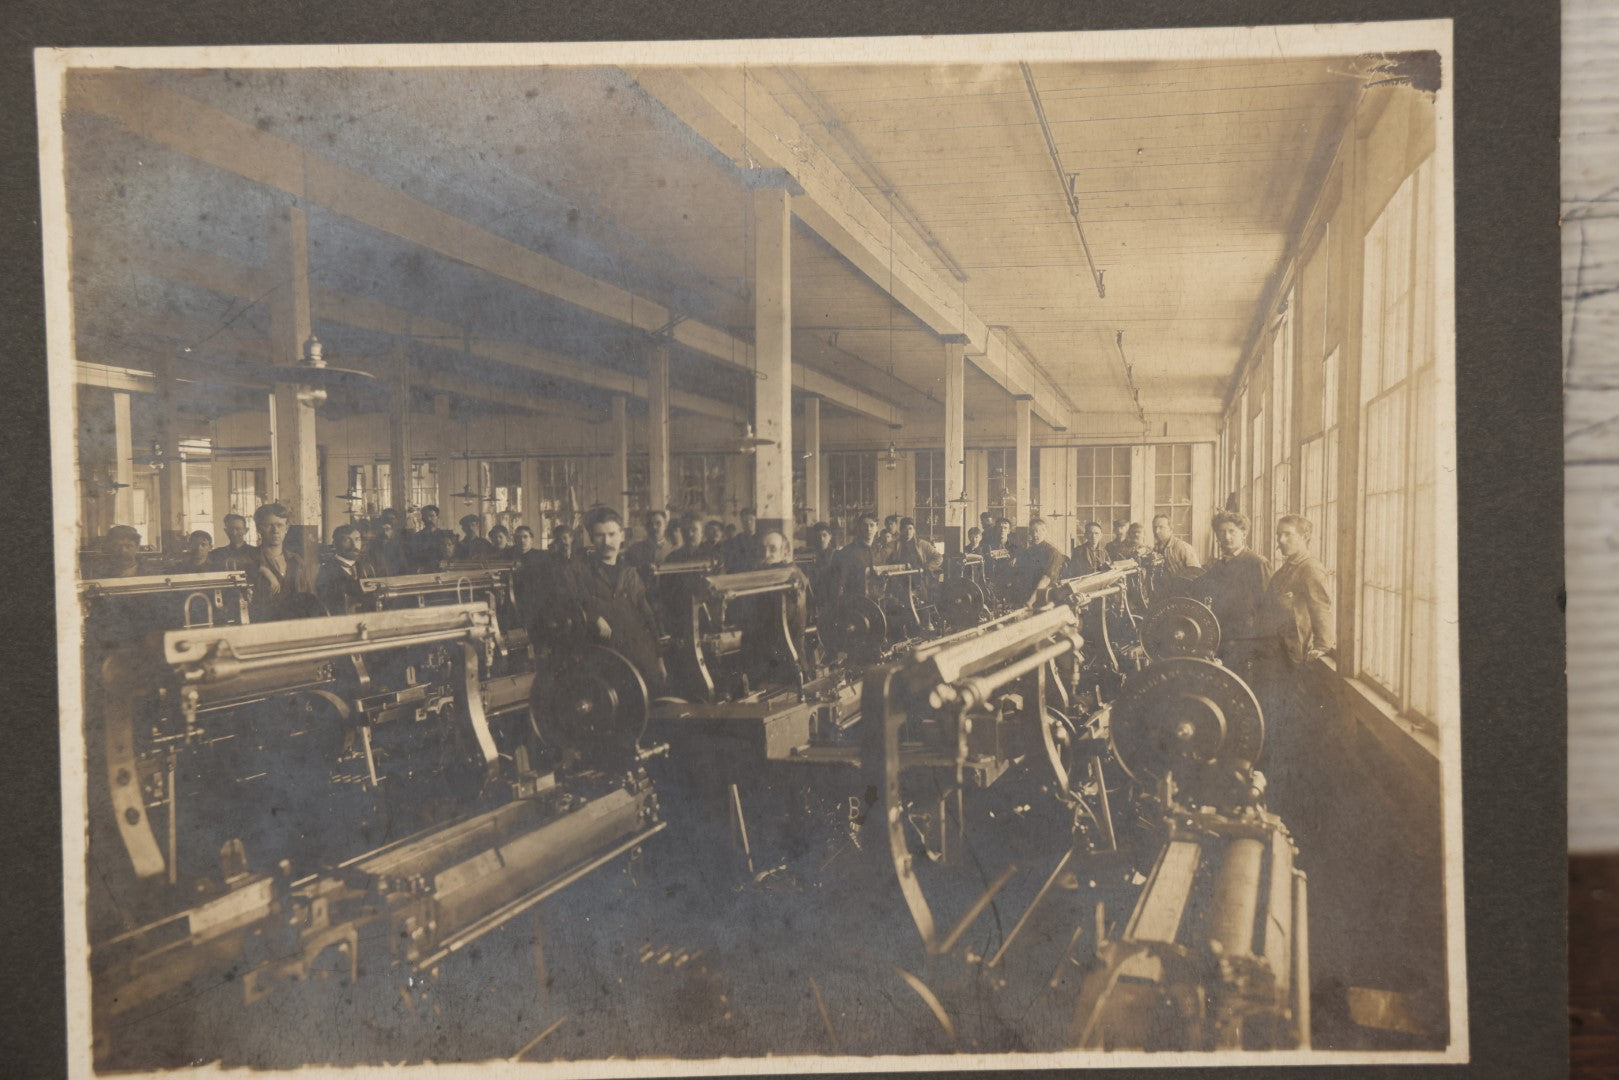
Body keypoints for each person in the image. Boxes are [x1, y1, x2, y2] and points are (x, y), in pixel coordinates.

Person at [553, 506, 664, 690]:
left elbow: (647, 616)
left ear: (622, 535)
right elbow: (564, 603)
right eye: (600, 535)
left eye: (612, 534)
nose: (607, 541)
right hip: (601, 663)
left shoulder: (630, 574)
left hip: (638, 658)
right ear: (591, 538)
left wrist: (659, 657)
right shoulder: (577, 572)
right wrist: (592, 616)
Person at [1197, 510, 1271, 680]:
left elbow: (1267, 608)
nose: (1227, 537)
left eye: (1232, 532)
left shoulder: (1257, 563)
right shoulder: (1220, 565)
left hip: (1246, 640)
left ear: (1244, 533)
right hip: (1222, 638)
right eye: (1221, 532)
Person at [248, 503, 312, 622]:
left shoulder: (296, 561)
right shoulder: (250, 559)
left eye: (280, 525)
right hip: (264, 626)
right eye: (269, 525)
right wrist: (264, 569)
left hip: (295, 625)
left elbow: (306, 597)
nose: (275, 531)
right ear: (258, 529)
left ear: (286, 529)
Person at [316, 524, 370, 615]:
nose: (354, 545)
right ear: (335, 544)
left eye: (357, 539)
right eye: (347, 540)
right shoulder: (325, 571)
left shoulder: (367, 568)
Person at [829, 512, 882, 604]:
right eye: (865, 525)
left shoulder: (879, 551)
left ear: (877, 528)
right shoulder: (847, 552)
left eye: (872, 525)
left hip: (877, 602)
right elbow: (838, 584)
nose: (868, 529)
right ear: (859, 528)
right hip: (855, 603)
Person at [1014, 517, 1067, 607]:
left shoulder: (1052, 552)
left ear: (1045, 531)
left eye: (1037, 531)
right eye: (1031, 531)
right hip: (1027, 596)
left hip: (1046, 598)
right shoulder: (1028, 551)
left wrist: (1030, 601)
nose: (1034, 535)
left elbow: (1046, 579)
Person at [1150, 513, 1203, 595]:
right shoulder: (1155, 550)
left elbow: (1197, 573)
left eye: (1161, 527)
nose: (1156, 531)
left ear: (1170, 529)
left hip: (1186, 594)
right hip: (1167, 593)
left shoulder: (1182, 547)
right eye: (1155, 527)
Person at [625, 510, 674, 575]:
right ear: (646, 527)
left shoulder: (672, 550)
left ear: (666, 525)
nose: (654, 527)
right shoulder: (634, 549)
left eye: (658, 523)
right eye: (650, 524)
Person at [723, 507, 763, 573]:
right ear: (741, 522)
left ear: (756, 521)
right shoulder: (736, 540)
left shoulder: (763, 538)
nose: (748, 523)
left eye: (751, 519)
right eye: (745, 521)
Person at [370, 510, 410, 577]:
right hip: (385, 573)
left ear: (397, 520)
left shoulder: (405, 535)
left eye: (392, 519)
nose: (389, 521)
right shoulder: (377, 539)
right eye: (386, 519)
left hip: (403, 571)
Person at [410, 505, 448, 570]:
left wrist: (445, 561)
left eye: (432, 516)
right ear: (422, 519)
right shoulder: (417, 537)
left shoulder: (445, 535)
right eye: (425, 516)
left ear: (437, 517)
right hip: (424, 570)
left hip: (443, 570)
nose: (428, 519)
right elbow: (413, 557)